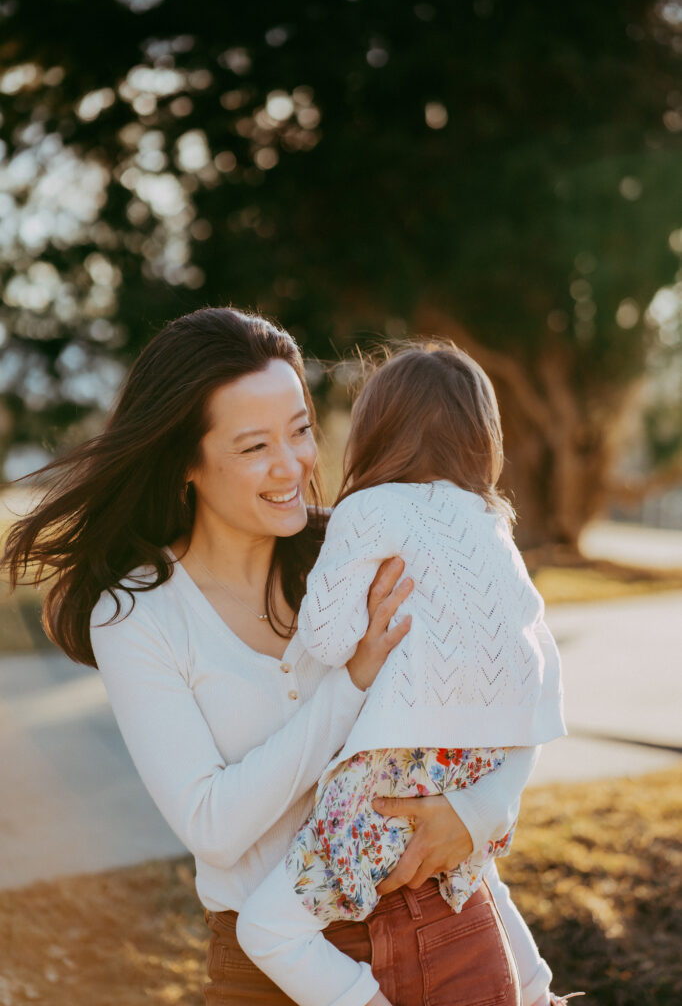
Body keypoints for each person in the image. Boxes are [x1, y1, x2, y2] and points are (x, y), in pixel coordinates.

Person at [2, 308, 553, 1006]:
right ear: (186, 463)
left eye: (300, 431)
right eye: (255, 445)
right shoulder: (139, 613)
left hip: (443, 921)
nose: (293, 465)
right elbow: (215, 825)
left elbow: (506, 695)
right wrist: (350, 683)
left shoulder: (358, 547)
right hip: (268, 969)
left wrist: (481, 812)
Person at [235, 342, 570, 1006]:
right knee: (476, 877)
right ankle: (536, 992)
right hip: (477, 772)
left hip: (385, 783)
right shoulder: (492, 522)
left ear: (375, 429)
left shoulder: (370, 509)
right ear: (483, 440)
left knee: (267, 930)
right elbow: (538, 659)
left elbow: (327, 641)